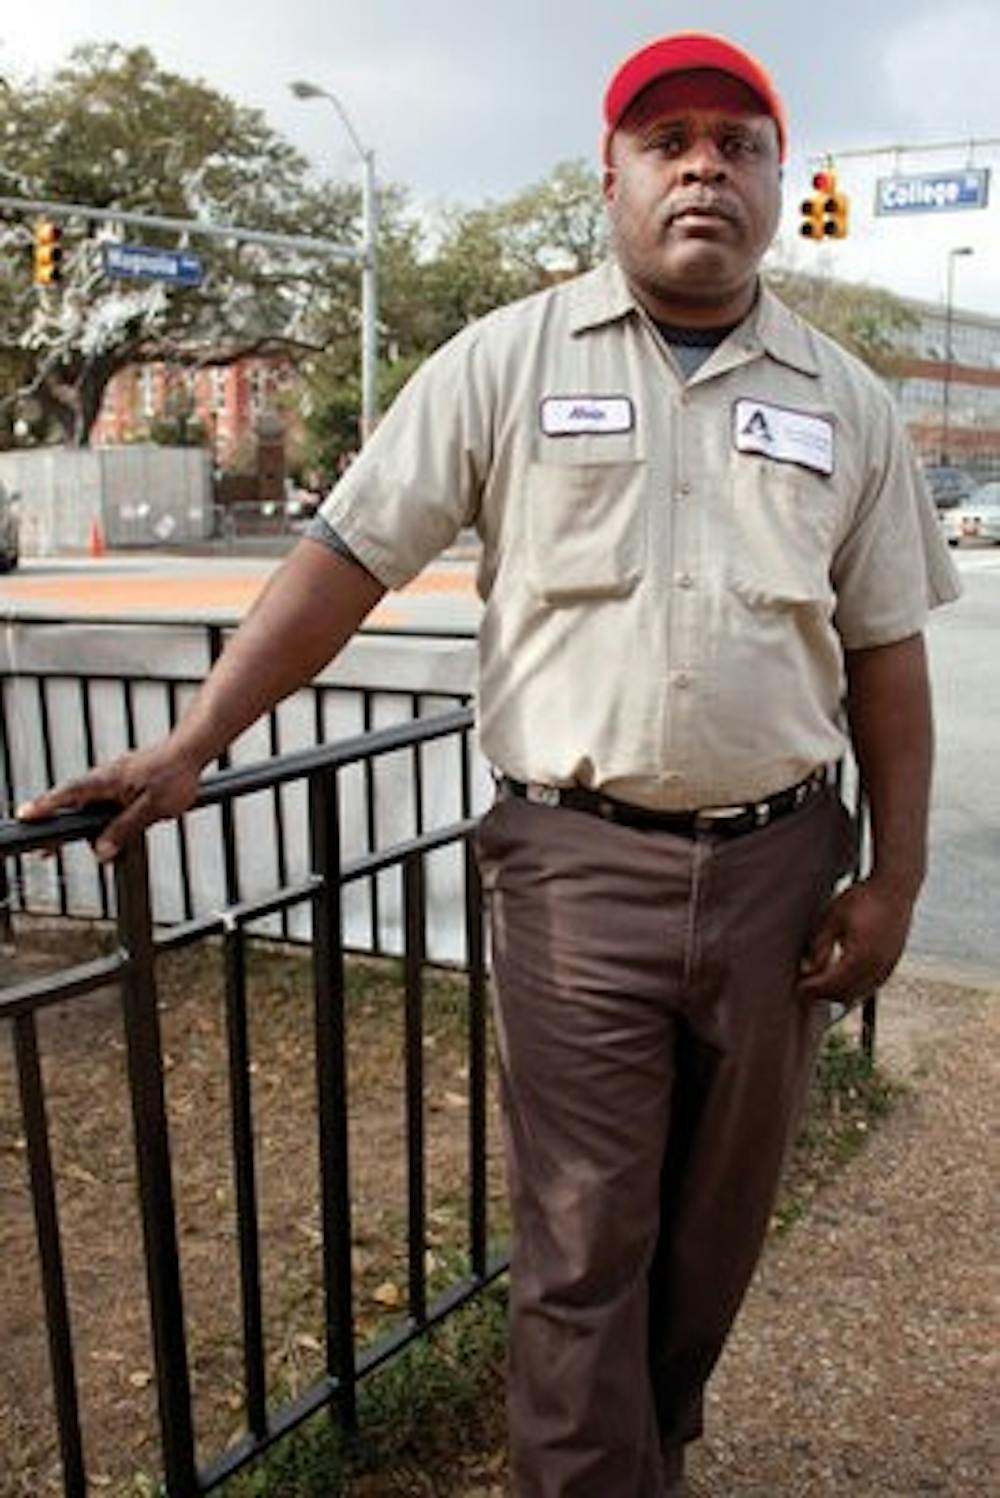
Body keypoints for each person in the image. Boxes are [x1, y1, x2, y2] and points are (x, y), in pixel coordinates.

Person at [19, 31, 959, 1497]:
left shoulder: (849, 401)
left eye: (737, 140)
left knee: (712, 1236)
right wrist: (198, 739)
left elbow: (888, 654)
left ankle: (643, 1442)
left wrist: (893, 874)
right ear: (612, 179)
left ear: (783, 182)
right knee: (584, 1240)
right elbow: (345, 557)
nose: (703, 164)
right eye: (669, 142)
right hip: (578, 867)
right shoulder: (506, 362)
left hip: (784, 870)